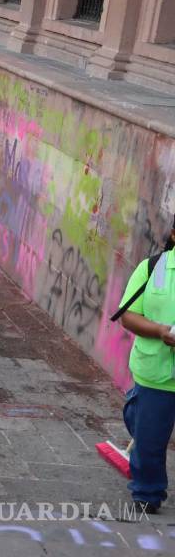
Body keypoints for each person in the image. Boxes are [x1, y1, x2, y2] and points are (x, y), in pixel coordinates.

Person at [115, 216, 175, 515]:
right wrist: (160, 331)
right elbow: (128, 315)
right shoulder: (153, 269)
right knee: (147, 437)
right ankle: (148, 491)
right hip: (156, 375)